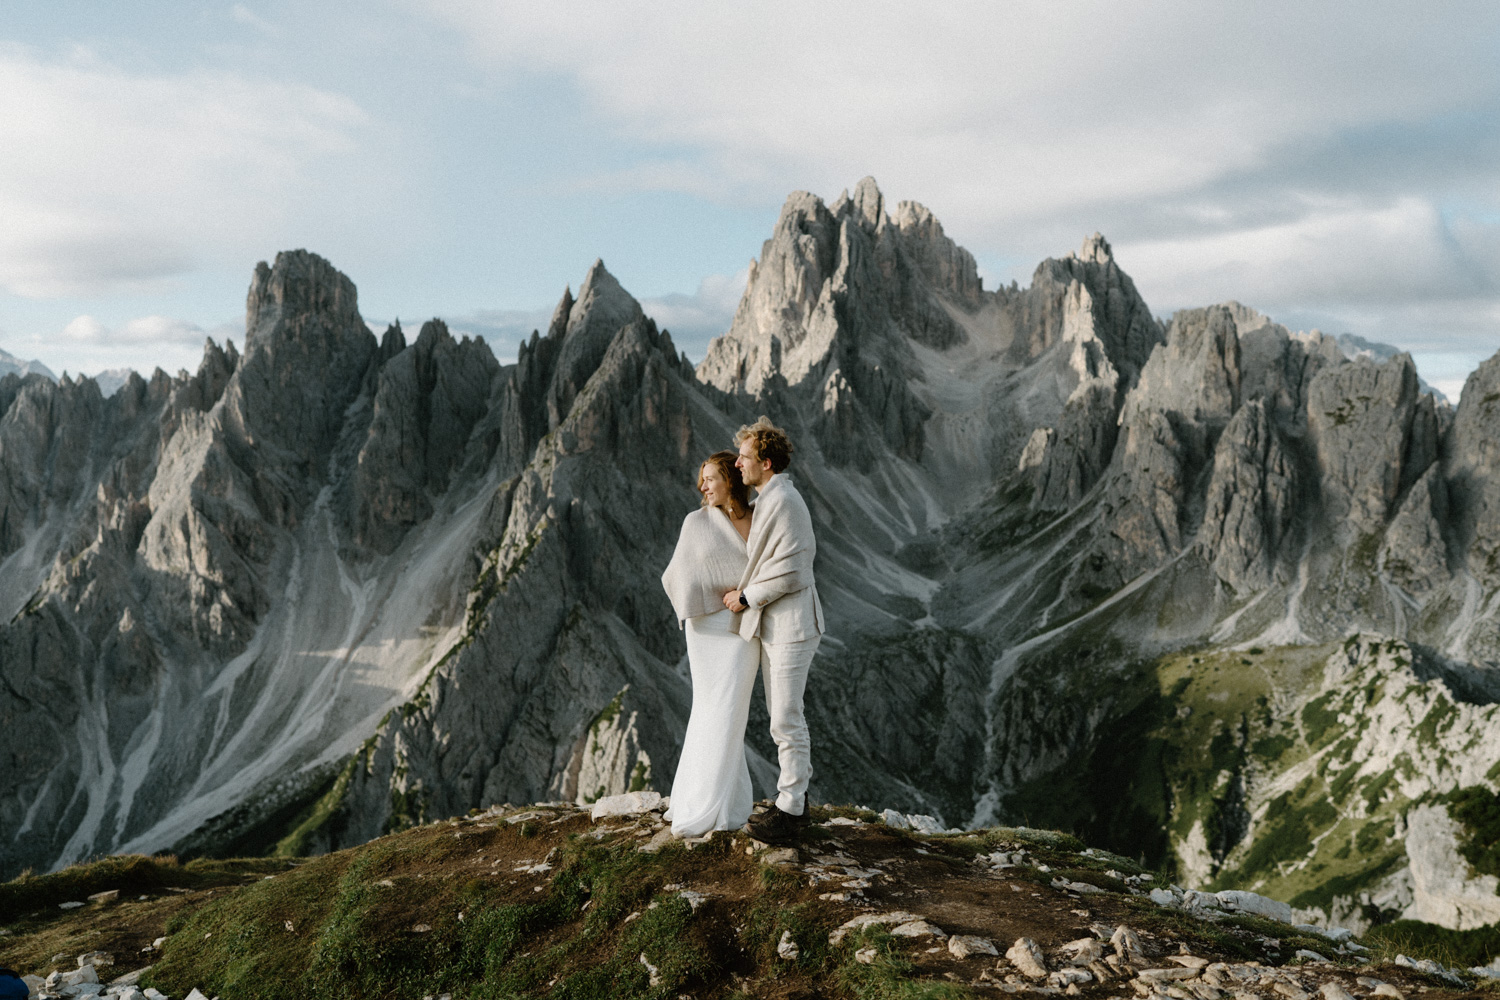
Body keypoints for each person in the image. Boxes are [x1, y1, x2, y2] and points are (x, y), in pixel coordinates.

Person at [723, 416, 825, 844]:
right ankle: (792, 802)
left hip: (792, 627)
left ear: (766, 461)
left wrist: (747, 597)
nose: (738, 465)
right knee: (782, 716)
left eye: (744, 458)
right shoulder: (771, 497)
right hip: (781, 625)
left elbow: (795, 569)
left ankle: (792, 811)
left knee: (786, 717)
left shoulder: (783, 499)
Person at [660, 451, 760, 837]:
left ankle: (730, 805)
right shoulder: (695, 521)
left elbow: (771, 567)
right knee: (710, 708)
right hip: (707, 628)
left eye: (711, 478)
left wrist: (747, 592)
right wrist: (707, 599)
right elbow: (677, 575)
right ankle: (701, 805)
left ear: (731, 480)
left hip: (744, 626)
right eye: (702, 479)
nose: (703, 486)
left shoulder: (758, 518)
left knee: (731, 711)